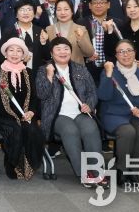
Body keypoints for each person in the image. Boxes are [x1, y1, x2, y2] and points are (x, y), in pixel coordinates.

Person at [36, 37, 108, 188]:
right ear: (51, 53)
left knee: (91, 129)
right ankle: (84, 173)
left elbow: (92, 92)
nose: (63, 52)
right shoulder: (44, 70)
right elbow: (42, 95)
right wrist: (49, 76)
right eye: (58, 49)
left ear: (71, 51)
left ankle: (97, 172)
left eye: (66, 49)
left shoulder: (80, 68)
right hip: (56, 115)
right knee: (70, 131)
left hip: (79, 113)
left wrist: (89, 105)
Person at [98, 40, 139, 185]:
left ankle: (133, 170)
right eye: (121, 52)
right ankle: (121, 170)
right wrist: (108, 74)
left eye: (128, 51)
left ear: (134, 53)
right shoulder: (110, 72)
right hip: (114, 114)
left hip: (137, 115)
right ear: (116, 56)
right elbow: (103, 96)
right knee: (127, 132)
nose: (125, 55)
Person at [0, 38, 44, 180]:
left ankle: (29, 164)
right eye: (11, 50)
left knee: (32, 130)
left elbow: (35, 97)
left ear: (23, 55)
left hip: (26, 113)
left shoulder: (29, 72)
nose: (15, 54)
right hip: (2, 114)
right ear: (5, 53)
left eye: (19, 51)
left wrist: (31, 112)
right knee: (15, 130)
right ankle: (12, 164)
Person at [0, 0, 50, 80]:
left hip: (37, 76)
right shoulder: (9, 32)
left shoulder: (41, 31)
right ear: (16, 15)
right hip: (15, 76)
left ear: (34, 14)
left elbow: (47, 57)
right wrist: (19, 59)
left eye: (29, 9)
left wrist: (44, 43)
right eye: (22, 10)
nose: (26, 13)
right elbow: (1, 55)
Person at [79, 0, 122, 85]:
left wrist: (110, 31)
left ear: (108, 5)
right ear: (90, 5)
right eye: (95, 2)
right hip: (88, 69)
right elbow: (77, 47)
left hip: (111, 68)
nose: (98, 6)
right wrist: (86, 58)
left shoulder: (118, 23)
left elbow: (120, 46)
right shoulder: (81, 23)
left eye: (102, 2)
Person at [45, 0, 95, 64]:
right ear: (55, 12)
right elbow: (46, 54)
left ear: (72, 11)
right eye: (59, 10)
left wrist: (81, 39)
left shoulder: (81, 29)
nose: (62, 13)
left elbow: (90, 53)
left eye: (66, 9)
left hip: (77, 68)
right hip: (56, 68)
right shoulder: (49, 29)